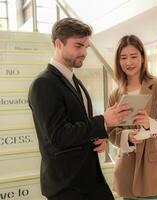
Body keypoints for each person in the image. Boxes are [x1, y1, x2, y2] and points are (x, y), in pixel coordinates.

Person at [28, 18, 130, 200]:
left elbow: (78, 125)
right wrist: (103, 121)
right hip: (66, 185)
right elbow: (58, 136)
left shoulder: (75, 81)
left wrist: (98, 136)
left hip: (89, 179)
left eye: (87, 46)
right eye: (78, 46)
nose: (84, 52)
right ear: (59, 44)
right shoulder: (43, 84)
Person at [108, 35, 157, 200]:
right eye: (123, 58)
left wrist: (149, 123)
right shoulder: (116, 94)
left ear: (143, 58)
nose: (128, 62)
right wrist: (128, 137)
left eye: (133, 56)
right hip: (127, 166)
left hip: (154, 167)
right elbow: (111, 132)